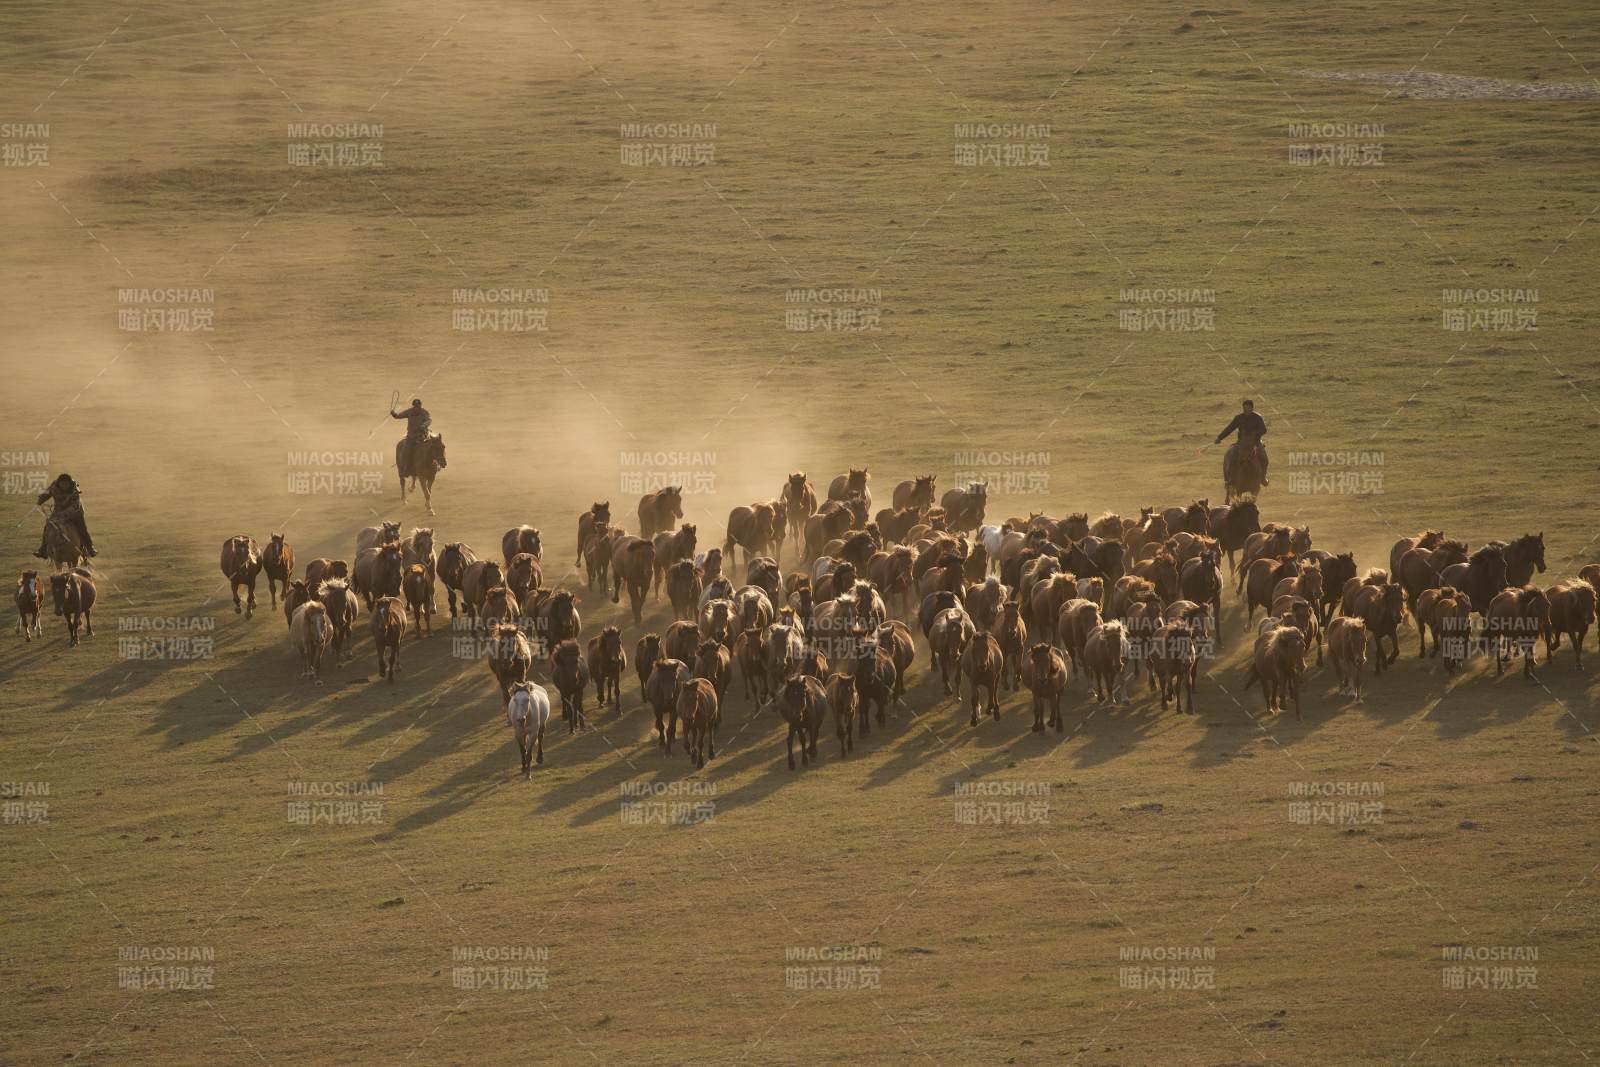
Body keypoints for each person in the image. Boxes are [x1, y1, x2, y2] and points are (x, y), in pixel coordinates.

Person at [34, 473, 96, 559]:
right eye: (62, 484)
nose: (64, 486)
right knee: (48, 526)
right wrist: (40, 499)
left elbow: (75, 506)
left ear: (70, 483)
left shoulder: (75, 490)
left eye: (66, 484)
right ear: (59, 483)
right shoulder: (54, 486)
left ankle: (90, 549)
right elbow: (47, 493)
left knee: (82, 529)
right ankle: (43, 550)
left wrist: (61, 515)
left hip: (75, 513)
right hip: (58, 511)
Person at [1214, 398, 1268, 486]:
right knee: (1230, 456)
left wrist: (1254, 434)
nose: (1246, 411)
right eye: (1244, 409)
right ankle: (1230, 478)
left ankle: (1263, 478)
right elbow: (1229, 428)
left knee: (1264, 458)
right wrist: (1220, 438)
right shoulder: (1238, 418)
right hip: (1241, 444)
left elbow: (1264, 430)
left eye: (1248, 409)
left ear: (1252, 408)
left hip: (1256, 443)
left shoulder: (1258, 417)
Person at [391, 398, 432, 478]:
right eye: (415, 406)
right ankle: (406, 469)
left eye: (418, 406)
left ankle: (436, 465)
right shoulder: (409, 412)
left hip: (423, 436)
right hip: (411, 437)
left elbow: (429, 420)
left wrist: (423, 426)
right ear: (413, 407)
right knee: (406, 452)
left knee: (434, 446)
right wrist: (394, 414)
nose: (416, 408)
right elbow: (399, 416)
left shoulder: (425, 413)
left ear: (420, 406)